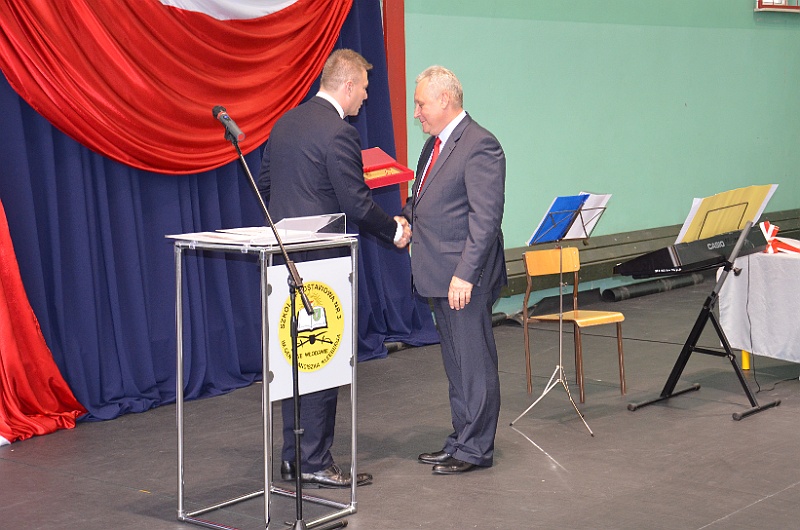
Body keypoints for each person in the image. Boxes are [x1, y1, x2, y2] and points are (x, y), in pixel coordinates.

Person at [257, 48, 411, 488]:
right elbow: (357, 204)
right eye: (363, 88)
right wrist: (394, 230)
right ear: (347, 85)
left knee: (294, 357)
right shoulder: (340, 133)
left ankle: (293, 457)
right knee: (321, 357)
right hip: (322, 264)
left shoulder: (285, 123)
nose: (365, 97)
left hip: (284, 262)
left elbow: (265, 185)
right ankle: (315, 462)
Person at [403, 65, 506, 475]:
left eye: (420, 104)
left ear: (445, 99)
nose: (416, 113)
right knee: (457, 364)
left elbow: (485, 219)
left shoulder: (480, 145)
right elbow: (422, 199)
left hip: (465, 279)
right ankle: (462, 440)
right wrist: (404, 221)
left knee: (474, 364)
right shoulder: (433, 146)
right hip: (439, 276)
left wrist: (464, 274)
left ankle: (476, 448)